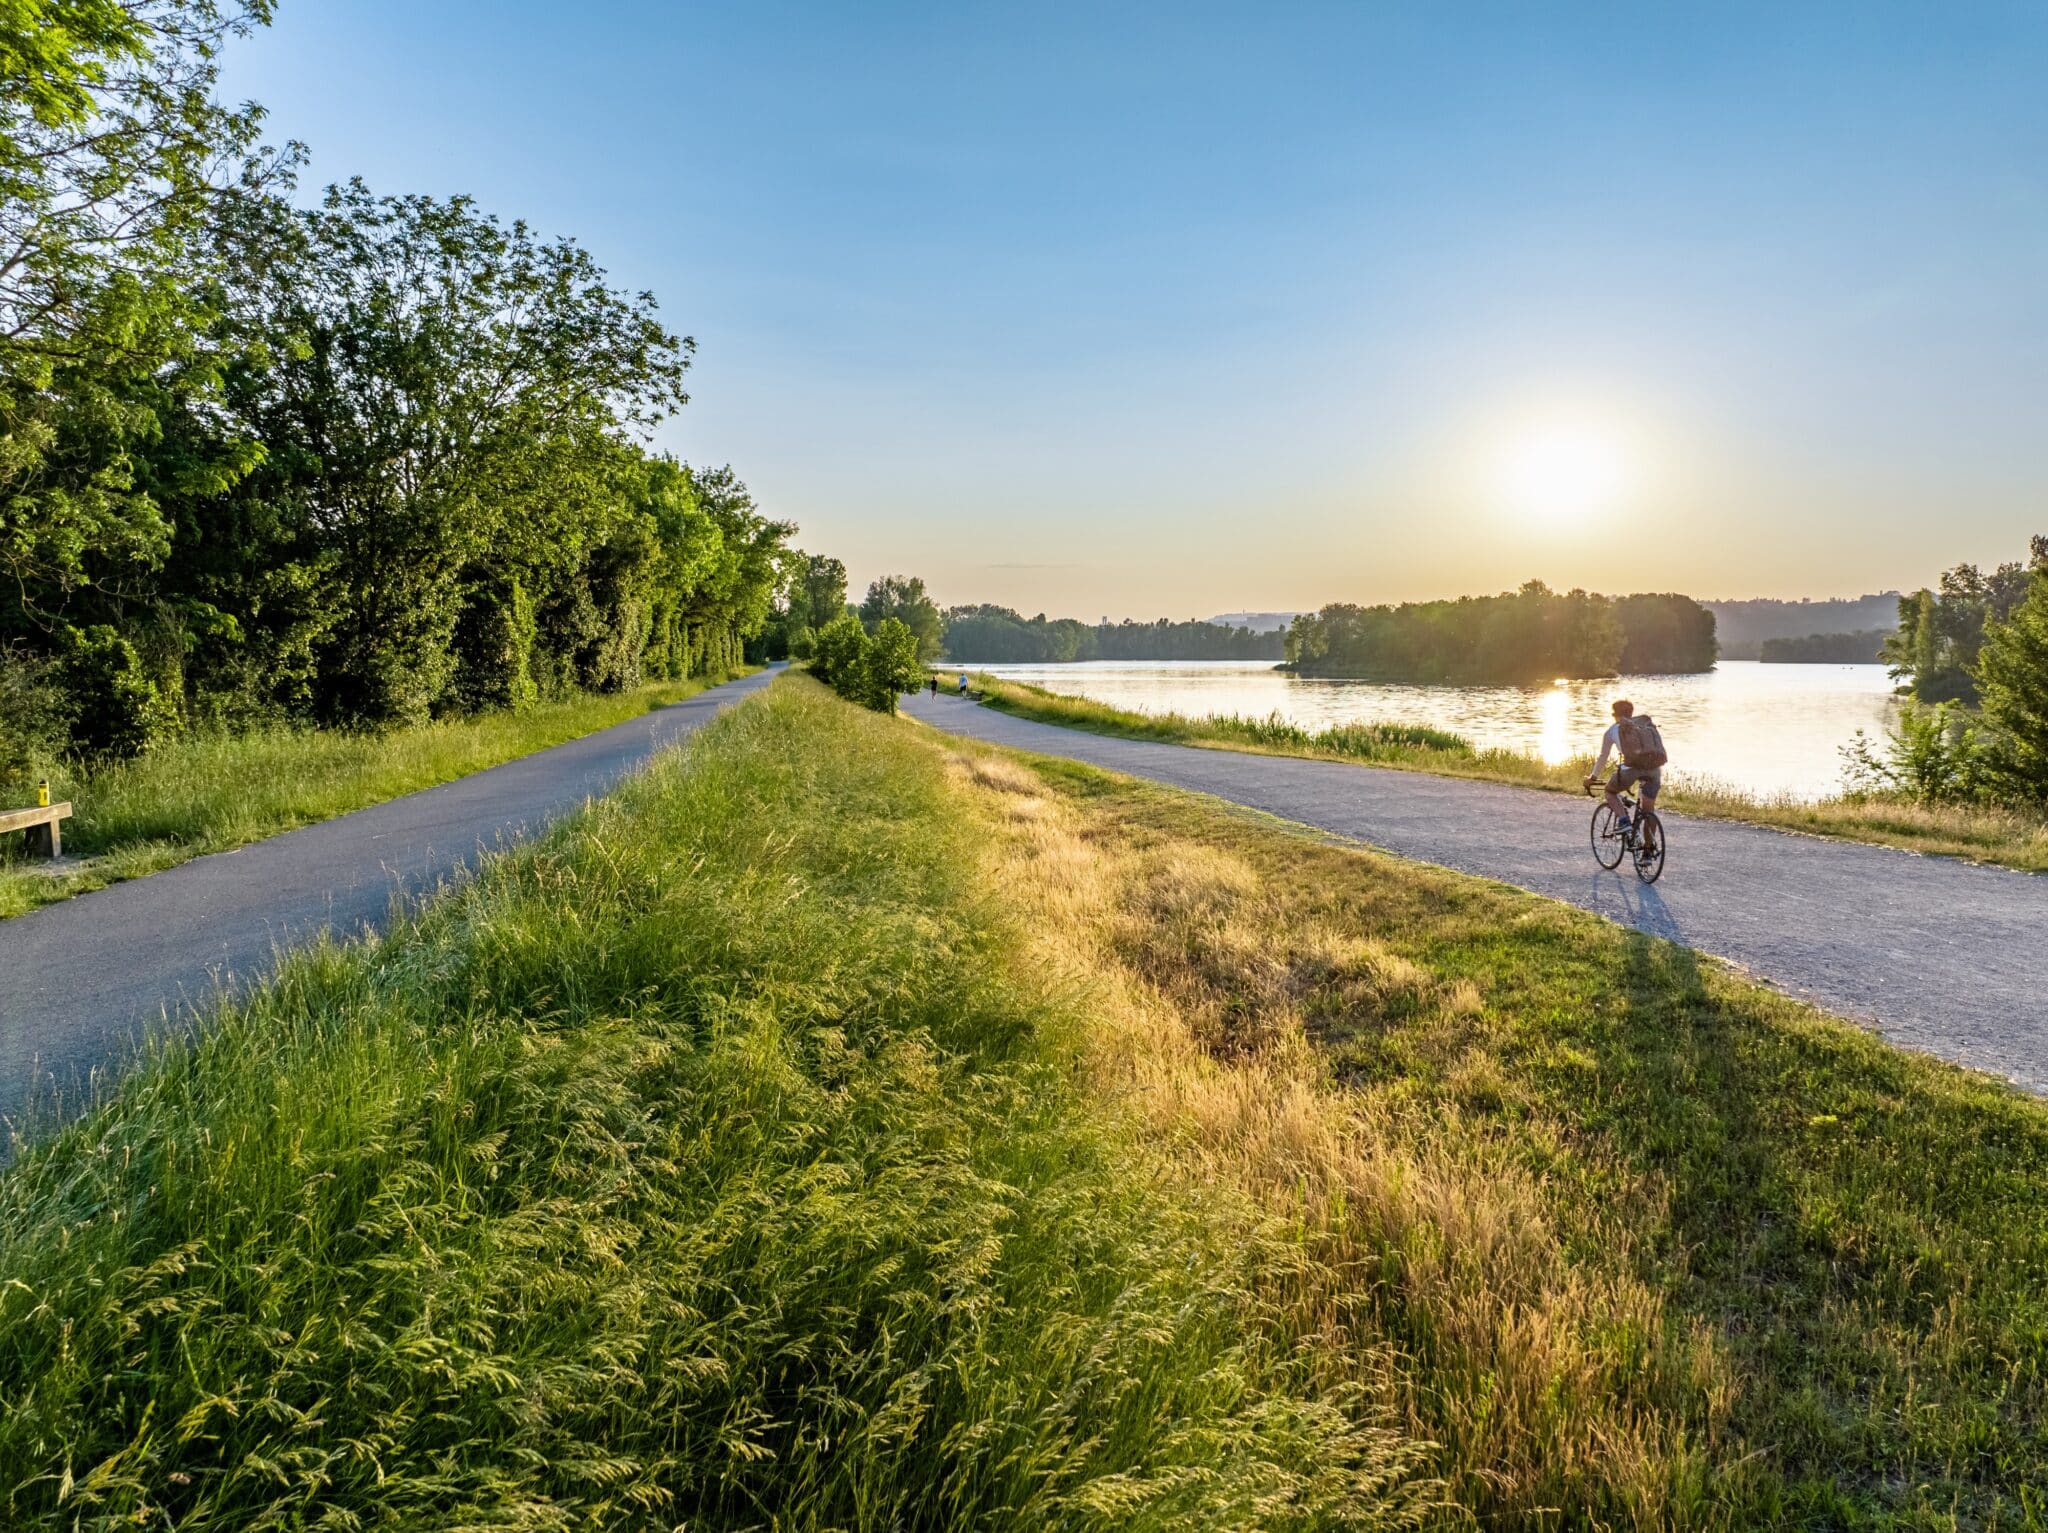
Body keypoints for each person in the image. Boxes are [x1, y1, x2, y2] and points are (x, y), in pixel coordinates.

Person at [1584, 699, 1664, 848]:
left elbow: (1603, 757)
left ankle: (1624, 821)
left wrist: (1592, 778)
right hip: (1654, 769)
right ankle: (1648, 852)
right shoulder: (1644, 725)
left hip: (1631, 770)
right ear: (1631, 712)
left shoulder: (1612, 730)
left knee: (1609, 791)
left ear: (1614, 714)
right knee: (1648, 811)